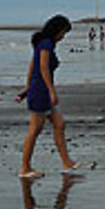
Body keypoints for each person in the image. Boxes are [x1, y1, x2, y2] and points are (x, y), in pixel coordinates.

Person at [16, 15, 81, 178]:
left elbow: (32, 66)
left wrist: (26, 88)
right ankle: (25, 168)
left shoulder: (45, 44)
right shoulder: (45, 44)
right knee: (34, 130)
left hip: (38, 89)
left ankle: (67, 162)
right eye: (63, 33)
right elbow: (43, 68)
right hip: (41, 92)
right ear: (57, 30)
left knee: (59, 124)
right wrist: (51, 91)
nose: (63, 37)